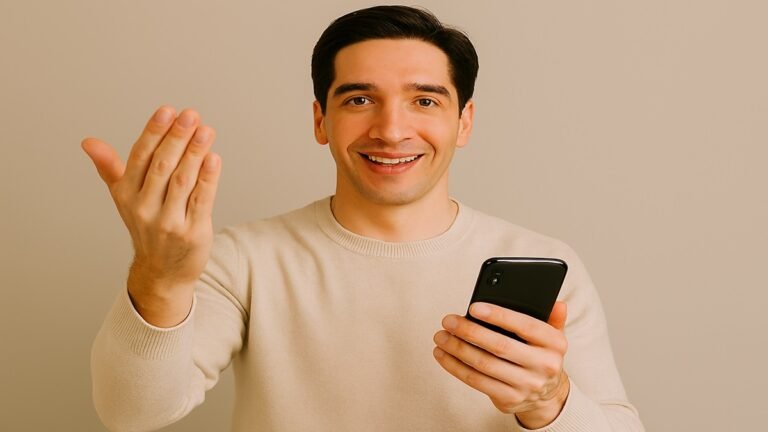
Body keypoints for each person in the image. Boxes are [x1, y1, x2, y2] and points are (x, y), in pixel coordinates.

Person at [84, 5, 644, 432]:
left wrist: (548, 403)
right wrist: (158, 275)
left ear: (464, 122)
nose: (391, 129)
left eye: (425, 101)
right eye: (358, 100)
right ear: (320, 119)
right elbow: (132, 413)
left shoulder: (551, 263)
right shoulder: (245, 259)